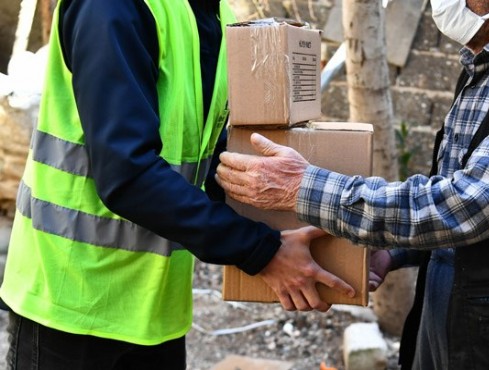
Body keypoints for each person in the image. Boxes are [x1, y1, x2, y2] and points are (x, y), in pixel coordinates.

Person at [217, 0, 489, 369]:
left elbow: (471, 203)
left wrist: (305, 189)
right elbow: (460, 186)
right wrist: (396, 250)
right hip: (484, 329)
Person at [0, 0, 355, 368]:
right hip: (70, 302)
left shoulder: (220, 17)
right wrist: (261, 251)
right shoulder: (111, 7)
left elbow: (212, 159)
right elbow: (127, 175)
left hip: (155, 311)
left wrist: (321, 236)